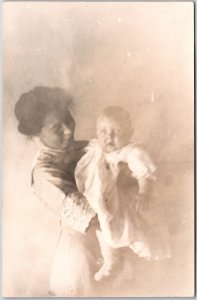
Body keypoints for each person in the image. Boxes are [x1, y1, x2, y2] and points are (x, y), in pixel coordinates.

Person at [14, 86, 100, 296]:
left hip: (109, 246)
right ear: (37, 133)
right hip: (82, 258)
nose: (68, 130)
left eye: (68, 119)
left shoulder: (85, 147)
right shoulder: (45, 173)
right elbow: (91, 219)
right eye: (55, 128)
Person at [75, 106, 171, 282]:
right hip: (101, 199)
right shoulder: (96, 147)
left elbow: (143, 173)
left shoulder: (131, 151)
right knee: (104, 229)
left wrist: (143, 193)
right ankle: (111, 261)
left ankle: (144, 253)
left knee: (129, 228)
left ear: (129, 133)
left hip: (120, 199)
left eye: (116, 132)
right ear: (96, 132)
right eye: (103, 131)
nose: (109, 137)